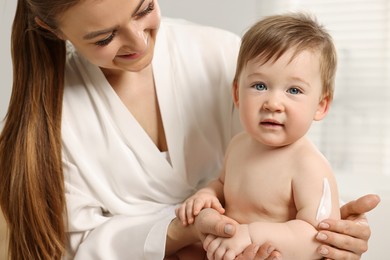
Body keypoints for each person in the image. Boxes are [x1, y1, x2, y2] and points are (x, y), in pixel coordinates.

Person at [0, 0, 380, 259]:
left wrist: (335, 238)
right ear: (51, 28)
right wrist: (183, 228)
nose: (138, 41)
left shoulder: (221, 55)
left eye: (144, 8)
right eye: (104, 37)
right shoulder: (52, 118)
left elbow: (286, 182)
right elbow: (76, 244)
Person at [176, 12, 344, 259]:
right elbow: (224, 185)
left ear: (321, 106)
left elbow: (318, 237)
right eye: (260, 86)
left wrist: (251, 234)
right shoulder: (238, 144)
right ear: (237, 94)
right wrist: (207, 195)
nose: (273, 103)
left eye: (294, 90)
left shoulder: (308, 164)